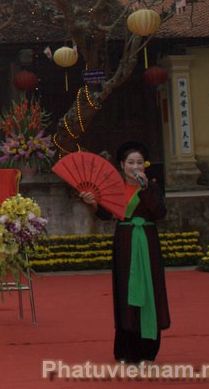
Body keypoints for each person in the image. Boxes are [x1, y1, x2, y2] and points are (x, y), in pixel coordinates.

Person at [79, 141, 170, 364]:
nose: (135, 167)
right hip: (125, 244)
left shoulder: (152, 187)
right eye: (130, 162)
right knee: (125, 292)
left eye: (139, 162)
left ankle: (148, 350)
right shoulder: (115, 188)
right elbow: (106, 215)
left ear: (145, 165)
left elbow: (159, 212)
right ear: (122, 165)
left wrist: (145, 188)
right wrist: (93, 204)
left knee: (150, 291)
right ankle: (125, 350)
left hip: (147, 243)